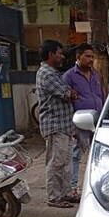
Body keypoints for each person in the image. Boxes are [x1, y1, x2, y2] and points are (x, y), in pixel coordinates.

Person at [36, 40, 79, 208]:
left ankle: (65, 193)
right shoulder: (47, 73)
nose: (62, 56)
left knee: (65, 162)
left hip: (64, 126)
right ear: (50, 54)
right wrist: (72, 93)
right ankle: (54, 197)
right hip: (55, 126)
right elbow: (68, 94)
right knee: (56, 162)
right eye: (59, 53)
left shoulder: (53, 73)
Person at [62, 43, 105, 196]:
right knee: (76, 155)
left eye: (92, 56)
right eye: (87, 56)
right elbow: (65, 101)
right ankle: (73, 188)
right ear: (78, 57)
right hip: (79, 121)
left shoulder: (96, 74)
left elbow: (102, 94)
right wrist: (71, 125)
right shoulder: (69, 76)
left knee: (99, 153)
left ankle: (99, 186)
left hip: (97, 120)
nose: (91, 59)